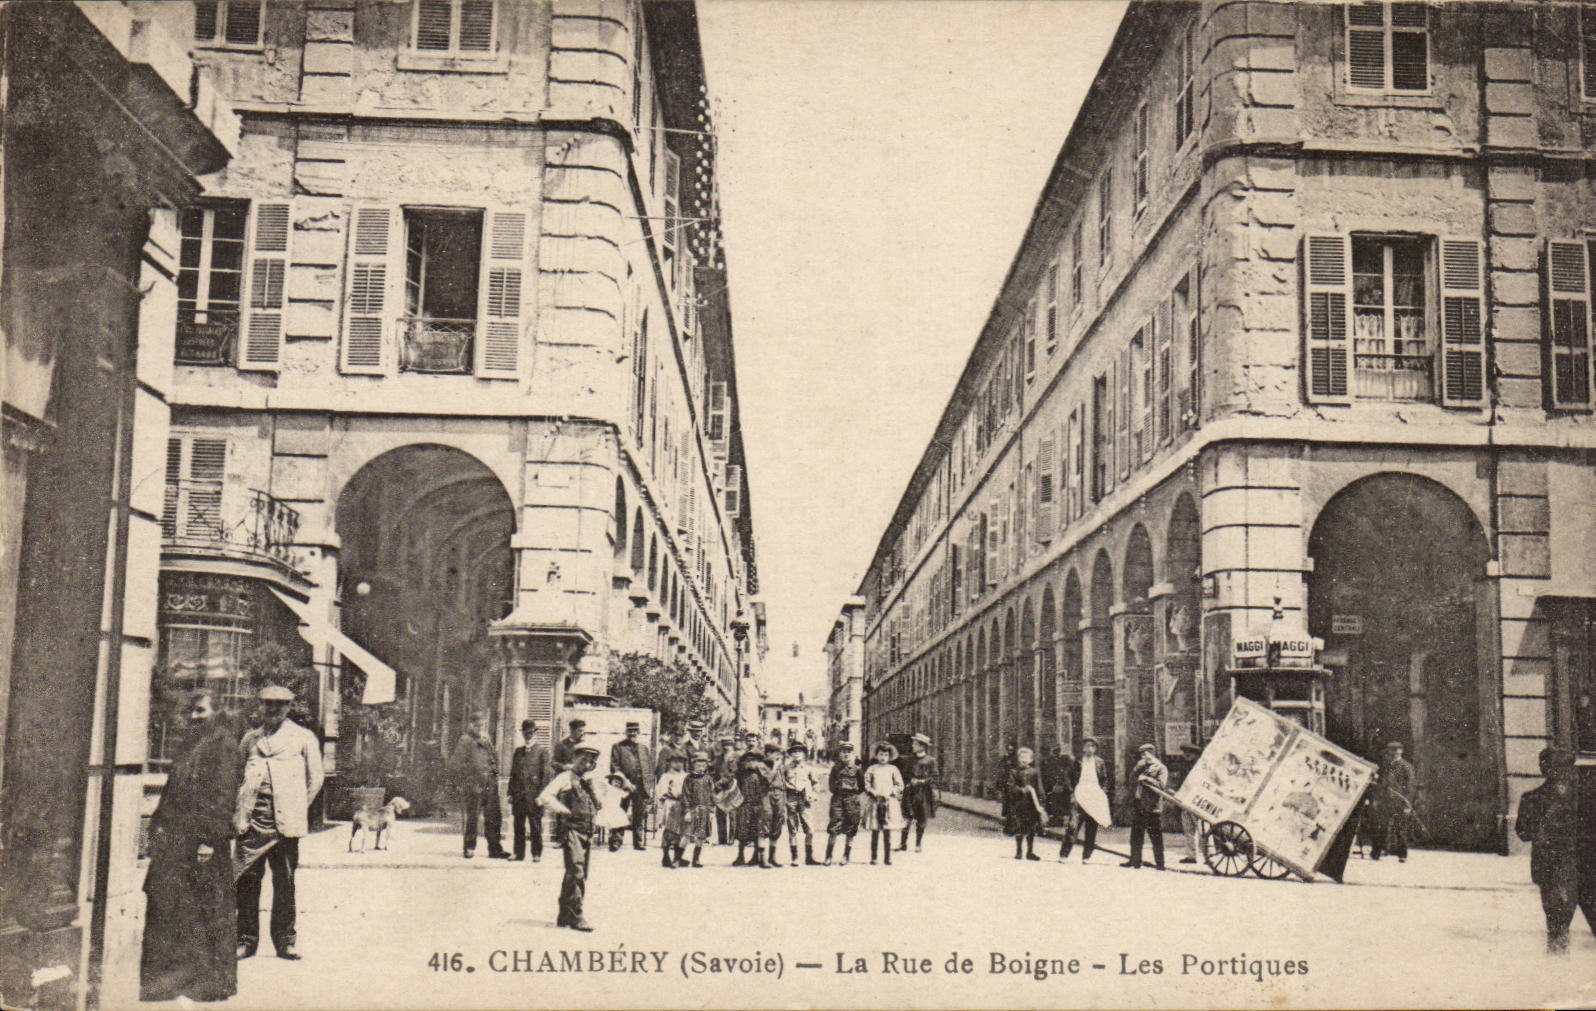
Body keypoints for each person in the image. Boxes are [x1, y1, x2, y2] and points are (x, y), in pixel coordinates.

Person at [140, 689, 240, 1002]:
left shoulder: (224, 746)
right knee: (170, 908)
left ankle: (208, 983)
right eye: (191, 712)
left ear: (217, 712)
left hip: (202, 843)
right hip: (174, 840)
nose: (194, 717)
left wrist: (209, 840)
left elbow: (223, 798)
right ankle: (166, 981)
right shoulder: (189, 744)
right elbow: (172, 790)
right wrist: (155, 827)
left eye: (201, 711)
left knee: (204, 911)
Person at [234, 683, 324, 961]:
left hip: (286, 825)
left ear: (288, 708)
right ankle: (246, 941)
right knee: (247, 882)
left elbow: (315, 779)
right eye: (268, 704)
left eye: (279, 704)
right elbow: (237, 777)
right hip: (252, 823)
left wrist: (297, 807)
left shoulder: (303, 738)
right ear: (260, 706)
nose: (273, 709)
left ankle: (285, 941)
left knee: (285, 883)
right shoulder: (250, 739)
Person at [1515, 747, 1592, 954]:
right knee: (1558, 930)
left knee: (1558, 930)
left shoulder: (1533, 798)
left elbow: (1523, 833)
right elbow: (1523, 833)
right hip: (1563, 870)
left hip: (1572, 871)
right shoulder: (1533, 799)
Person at [537, 742, 603, 931]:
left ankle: (564, 914)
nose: (587, 765)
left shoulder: (588, 781)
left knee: (577, 872)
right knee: (576, 870)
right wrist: (563, 811)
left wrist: (593, 791)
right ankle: (577, 915)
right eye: (584, 760)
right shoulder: (565, 777)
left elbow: (599, 805)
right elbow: (545, 797)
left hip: (587, 831)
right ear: (574, 759)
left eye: (591, 762)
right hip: (572, 830)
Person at [451, 712, 508, 859]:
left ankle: (495, 849)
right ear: (471, 725)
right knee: (473, 818)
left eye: (482, 724)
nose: (480, 727)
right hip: (474, 785)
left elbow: (493, 757)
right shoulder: (465, 740)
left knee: (494, 817)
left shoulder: (486, 738)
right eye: (477, 724)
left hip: (490, 784)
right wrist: (464, 782)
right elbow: (456, 764)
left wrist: (495, 771)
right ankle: (469, 848)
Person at [508, 718, 552, 862]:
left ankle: (536, 853)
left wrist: (542, 795)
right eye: (526, 733)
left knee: (535, 825)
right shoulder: (518, 752)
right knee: (518, 826)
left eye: (531, 733)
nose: (528, 735)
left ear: (535, 733)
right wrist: (510, 793)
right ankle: (518, 853)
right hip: (519, 796)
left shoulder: (542, 752)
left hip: (534, 796)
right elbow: (513, 774)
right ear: (523, 734)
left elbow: (545, 776)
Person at [1060, 737, 1110, 863]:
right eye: (1087, 746)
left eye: (1092, 746)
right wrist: (1071, 793)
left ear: (1095, 749)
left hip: (1094, 795)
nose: (1089, 749)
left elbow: (1104, 779)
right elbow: (1067, 777)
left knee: (1091, 827)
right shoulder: (1076, 761)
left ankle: (1086, 856)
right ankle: (1064, 855)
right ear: (1083, 748)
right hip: (1080, 793)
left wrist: (1102, 792)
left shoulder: (1100, 762)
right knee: (1073, 825)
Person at [609, 721, 655, 851]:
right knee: (619, 812)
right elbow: (614, 767)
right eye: (630, 731)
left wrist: (650, 787)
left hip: (641, 786)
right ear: (626, 732)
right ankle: (616, 841)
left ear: (638, 732)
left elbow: (649, 769)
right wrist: (625, 782)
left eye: (635, 731)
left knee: (639, 814)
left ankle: (638, 842)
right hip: (623, 785)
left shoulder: (643, 748)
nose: (632, 733)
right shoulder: (618, 747)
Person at [1369, 741, 1418, 862]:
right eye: (1391, 751)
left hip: (1399, 802)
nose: (1393, 753)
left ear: (1400, 752)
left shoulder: (1406, 767)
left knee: (1400, 829)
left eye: (1396, 751)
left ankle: (1402, 854)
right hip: (1385, 801)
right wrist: (1376, 799)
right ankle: (1376, 853)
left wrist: (1408, 804)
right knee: (1381, 827)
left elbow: (1411, 786)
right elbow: (1380, 784)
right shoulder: (1385, 766)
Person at [1123, 742, 1167, 870]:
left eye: (1146, 753)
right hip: (1139, 805)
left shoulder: (1161, 768)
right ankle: (1135, 861)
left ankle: (1160, 864)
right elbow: (1131, 780)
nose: (1143, 756)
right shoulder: (1140, 767)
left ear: (1152, 754)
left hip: (1153, 807)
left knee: (1156, 837)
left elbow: (1162, 785)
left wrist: (1147, 779)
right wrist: (1136, 769)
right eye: (1141, 754)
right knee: (1136, 836)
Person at [781, 741, 822, 866]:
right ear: (790, 755)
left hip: (804, 800)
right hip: (791, 798)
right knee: (792, 829)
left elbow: (816, 784)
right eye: (794, 752)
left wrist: (814, 794)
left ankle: (809, 857)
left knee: (810, 830)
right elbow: (781, 783)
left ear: (804, 754)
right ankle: (795, 858)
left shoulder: (809, 768)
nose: (797, 754)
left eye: (799, 752)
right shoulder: (786, 768)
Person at [864, 741, 905, 866]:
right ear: (876, 755)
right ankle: (874, 857)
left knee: (887, 831)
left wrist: (892, 792)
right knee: (875, 831)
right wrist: (872, 791)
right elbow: (867, 783)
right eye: (881, 754)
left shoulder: (893, 769)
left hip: (888, 802)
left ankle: (887, 857)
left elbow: (900, 784)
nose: (883, 757)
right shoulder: (872, 769)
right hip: (875, 802)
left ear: (889, 756)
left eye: (886, 755)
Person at [897, 732, 939, 852]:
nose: (913, 746)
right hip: (910, 792)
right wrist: (908, 782)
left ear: (922, 746)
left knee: (921, 818)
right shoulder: (910, 759)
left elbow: (934, 777)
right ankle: (902, 843)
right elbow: (904, 774)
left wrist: (921, 782)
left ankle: (918, 844)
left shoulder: (930, 760)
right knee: (906, 817)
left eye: (915, 744)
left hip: (923, 793)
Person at [824, 742, 864, 865]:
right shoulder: (835, 768)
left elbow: (862, 786)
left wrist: (853, 794)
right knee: (834, 826)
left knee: (851, 827)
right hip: (838, 799)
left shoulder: (857, 769)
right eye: (843, 752)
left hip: (852, 799)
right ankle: (828, 856)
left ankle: (846, 855)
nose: (846, 754)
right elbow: (831, 785)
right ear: (840, 754)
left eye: (849, 752)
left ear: (853, 754)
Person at [732, 745, 772, 866]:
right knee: (742, 831)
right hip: (744, 804)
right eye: (748, 759)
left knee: (758, 831)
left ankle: (757, 857)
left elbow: (769, 782)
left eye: (754, 759)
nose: (751, 762)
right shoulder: (741, 773)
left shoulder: (762, 773)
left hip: (758, 805)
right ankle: (740, 856)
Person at [1006, 746, 1047, 861]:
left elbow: (1039, 788)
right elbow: (1010, 787)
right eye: (1021, 757)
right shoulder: (1014, 772)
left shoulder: (1034, 772)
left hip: (1031, 805)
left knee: (1031, 828)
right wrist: (1021, 790)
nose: (1024, 760)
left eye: (1027, 758)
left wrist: (1042, 802)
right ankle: (1019, 851)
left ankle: (1030, 852)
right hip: (1019, 804)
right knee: (1019, 827)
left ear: (1031, 759)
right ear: (1018, 758)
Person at [679, 750, 717, 868]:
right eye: (698, 763)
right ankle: (678, 857)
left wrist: (711, 810)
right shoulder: (689, 779)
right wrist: (687, 812)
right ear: (693, 764)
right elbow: (685, 796)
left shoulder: (708, 779)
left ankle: (696, 859)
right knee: (687, 834)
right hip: (692, 810)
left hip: (704, 810)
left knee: (701, 835)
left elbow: (712, 795)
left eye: (703, 764)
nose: (701, 766)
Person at [654, 751, 688, 868]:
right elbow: (660, 791)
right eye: (675, 761)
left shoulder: (686, 776)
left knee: (683, 832)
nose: (678, 764)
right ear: (670, 763)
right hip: (671, 804)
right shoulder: (666, 776)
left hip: (683, 805)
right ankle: (666, 855)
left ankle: (677, 858)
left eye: (681, 762)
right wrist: (665, 796)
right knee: (670, 831)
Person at [761, 740, 789, 866]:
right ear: (766, 754)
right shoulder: (762, 766)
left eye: (778, 753)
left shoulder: (780, 766)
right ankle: (762, 858)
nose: (777, 756)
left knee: (777, 824)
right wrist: (775, 766)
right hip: (767, 794)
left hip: (780, 794)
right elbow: (767, 780)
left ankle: (772, 856)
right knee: (765, 823)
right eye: (773, 753)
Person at [711, 733, 737, 845]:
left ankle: (732, 838)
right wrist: (714, 784)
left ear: (733, 746)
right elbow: (713, 772)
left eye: (729, 745)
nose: (726, 747)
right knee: (720, 814)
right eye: (724, 745)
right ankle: (722, 839)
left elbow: (733, 773)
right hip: (720, 790)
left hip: (732, 789)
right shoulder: (718, 759)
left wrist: (720, 782)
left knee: (732, 814)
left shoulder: (735, 759)